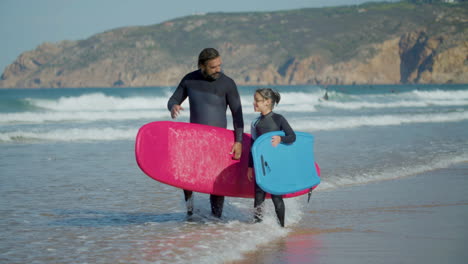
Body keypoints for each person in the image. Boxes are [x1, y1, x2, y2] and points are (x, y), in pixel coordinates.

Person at [167, 48, 244, 218]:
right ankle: (189, 211)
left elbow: (237, 114)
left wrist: (238, 141)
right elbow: (173, 99)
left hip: (219, 140)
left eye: (219, 65)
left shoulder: (227, 83)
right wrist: (173, 106)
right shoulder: (189, 80)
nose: (218, 70)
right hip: (195, 139)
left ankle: (216, 218)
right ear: (202, 65)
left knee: (217, 181)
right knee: (187, 177)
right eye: (213, 67)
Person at [248, 88, 296, 227]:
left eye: (257, 101)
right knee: (258, 196)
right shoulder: (255, 123)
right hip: (260, 164)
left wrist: (281, 139)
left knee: (276, 196)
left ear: (267, 102)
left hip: (276, 164)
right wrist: (250, 167)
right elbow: (253, 147)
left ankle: (282, 227)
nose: (254, 103)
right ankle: (257, 226)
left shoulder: (278, 119)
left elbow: (292, 136)